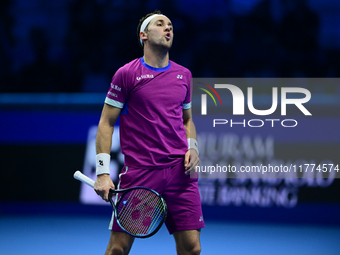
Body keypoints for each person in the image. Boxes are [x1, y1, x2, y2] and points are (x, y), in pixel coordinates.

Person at [94, 10, 205, 255]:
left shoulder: (183, 75)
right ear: (143, 34)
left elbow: (187, 120)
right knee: (118, 250)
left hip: (180, 174)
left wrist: (193, 148)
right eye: (160, 24)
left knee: (192, 248)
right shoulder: (127, 74)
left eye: (171, 26)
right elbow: (106, 123)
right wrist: (103, 172)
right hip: (142, 174)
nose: (168, 29)